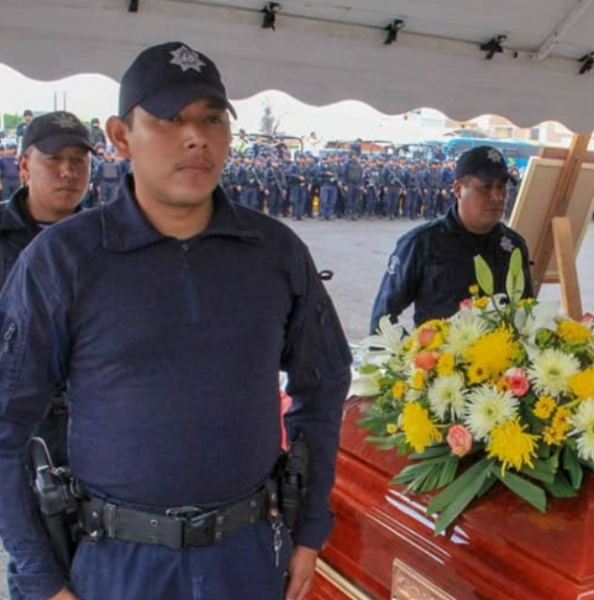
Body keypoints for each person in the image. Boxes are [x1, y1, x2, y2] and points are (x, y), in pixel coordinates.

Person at [0, 41, 351, 600]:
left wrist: (309, 528)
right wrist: (39, 577)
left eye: (212, 118)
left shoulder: (275, 252)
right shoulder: (63, 260)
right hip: (115, 565)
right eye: (171, 117)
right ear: (120, 137)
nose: (197, 136)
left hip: (249, 556)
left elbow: (325, 382)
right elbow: (5, 425)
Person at [0, 111, 94, 600]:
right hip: (23, 433)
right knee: (39, 571)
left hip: (99, 431)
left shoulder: (111, 241)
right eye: (54, 159)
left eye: (79, 161)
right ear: (23, 166)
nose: (68, 171)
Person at [370, 145, 533, 333]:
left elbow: (526, 313)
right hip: (440, 358)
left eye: (501, 187)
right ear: (458, 190)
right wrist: (411, 354)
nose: (497, 196)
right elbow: (383, 317)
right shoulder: (422, 243)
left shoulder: (513, 246)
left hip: (500, 359)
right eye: (485, 188)